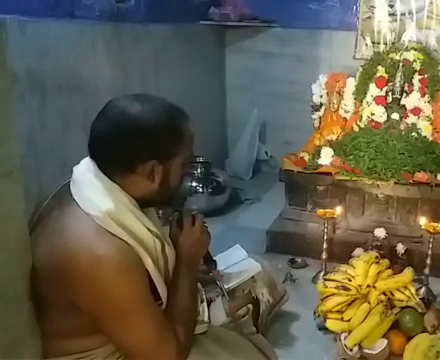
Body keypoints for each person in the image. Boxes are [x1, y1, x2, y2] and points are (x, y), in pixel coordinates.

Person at [30, 94, 284, 360]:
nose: (186, 173)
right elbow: (167, 356)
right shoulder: (98, 253)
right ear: (153, 172)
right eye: (184, 165)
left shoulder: (93, 188)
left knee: (259, 276)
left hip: (135, 332)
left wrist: (179, 261)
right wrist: (185, 262)